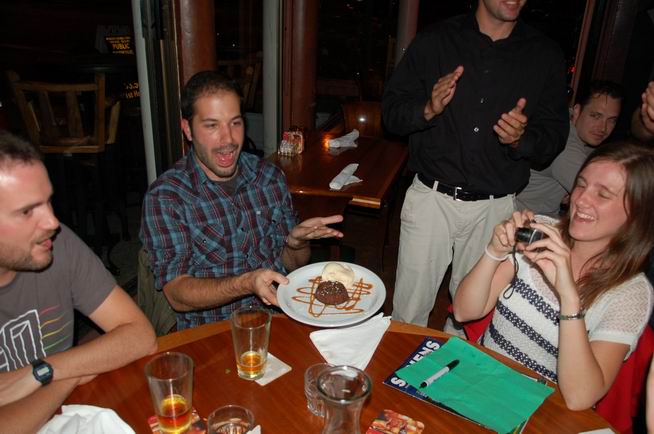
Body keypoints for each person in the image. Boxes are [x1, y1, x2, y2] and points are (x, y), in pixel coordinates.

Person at [382, 0, 569, 327]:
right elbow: (391, 114)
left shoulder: (545, 55)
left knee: (472, 321)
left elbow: (553, 138)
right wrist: (427, 109)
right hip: (431, 199)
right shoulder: (435, 40)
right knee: (408, 315)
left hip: (495, 208)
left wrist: (520, 139)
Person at [454, 141, 654, 410]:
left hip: (539, 413)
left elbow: (579, 397)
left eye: (603, 194)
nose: (581, 199)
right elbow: (464, 311)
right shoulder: (542, 232)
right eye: (581, 184)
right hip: (475, 381)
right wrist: (494, 252)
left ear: (637, 213)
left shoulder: (630, 293)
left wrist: (568, 298)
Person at [140, 71, 343, 330]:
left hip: (278, 320)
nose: (228, 139)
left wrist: (296, 244)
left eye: (235, 123)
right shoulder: (167, 197)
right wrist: (247, 283)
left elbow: (292, 265)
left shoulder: (269, 177)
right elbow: (177, 294)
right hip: (213, 334)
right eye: (212, 126)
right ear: (188, 129)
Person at [0, 132, 157, 432]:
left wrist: (45, 372)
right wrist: (72, 373)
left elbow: (140, 335)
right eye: (27, 211)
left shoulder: (56, 245)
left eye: (48, 201)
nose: (52, 222)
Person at [516, 81, 622, 216]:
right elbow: (606, 201)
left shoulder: (575, 129)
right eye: (596, 116)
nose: (603, 128)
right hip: (520, 220)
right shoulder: (566, 144)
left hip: (540, 216)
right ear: (577, 111)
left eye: (611, 120)